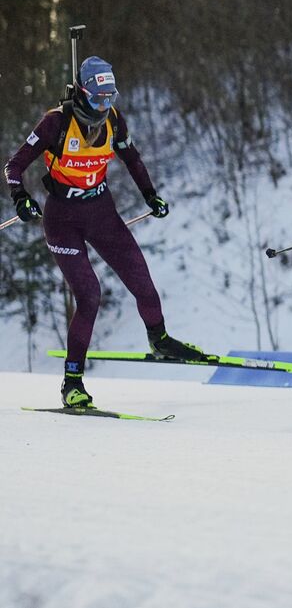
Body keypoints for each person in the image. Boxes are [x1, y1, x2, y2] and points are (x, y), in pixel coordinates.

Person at [5, 56, 215, 409]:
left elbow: (131, 158)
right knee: (89, 295)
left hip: (101, 212)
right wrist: (21, 198)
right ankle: (72, 383)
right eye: (98, 98)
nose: (105, 105)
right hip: (62, 220)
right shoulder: (56, 123)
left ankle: (159, 340)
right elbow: (14, 165)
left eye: (110, 97)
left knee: (142, 281)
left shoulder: (114, 120)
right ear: (83, 92)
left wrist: (150, 195)